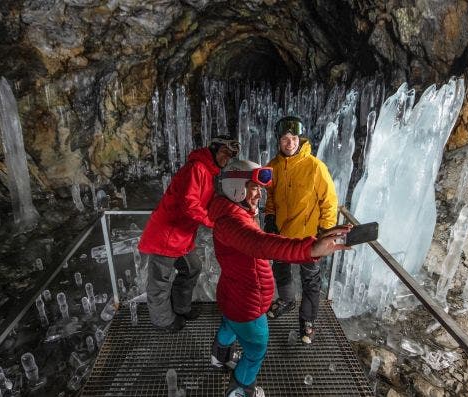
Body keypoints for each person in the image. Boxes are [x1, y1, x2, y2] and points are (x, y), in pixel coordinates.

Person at [209, 159, 351, 397]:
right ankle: (241, 388)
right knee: (256, 349)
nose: (259, 195)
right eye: (253, 187)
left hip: (233, 294)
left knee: (229, 325)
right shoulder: (232, 221)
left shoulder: (231, 211)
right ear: (236, 187)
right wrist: (311, 249)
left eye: (260, 189)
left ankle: (218, 357)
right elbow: (262, 244)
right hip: (247, 304)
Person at [138, 135, 241, 332]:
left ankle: (180, 307)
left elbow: (206, 201)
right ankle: (163, 321)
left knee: (193, 267)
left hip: (181, 235)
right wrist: (213, 222)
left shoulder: (208, 172)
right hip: (166, 235)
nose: (226, 159)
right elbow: (190, 204)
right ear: (214, 149)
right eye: (224, 153)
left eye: (230, 156)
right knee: (160, 280)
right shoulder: (197, 168)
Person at [264, 115, 338, 344]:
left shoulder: (315, 167)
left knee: (311, 279)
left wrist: (325, 231)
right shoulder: (273, 167)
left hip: (308, 238)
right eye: (285, 138)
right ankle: (287, 300)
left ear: (300, 139)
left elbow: (329, 201)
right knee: (282, 271)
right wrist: (269, 218)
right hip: (282, 236)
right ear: (279, 141)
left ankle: (308, 320)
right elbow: (270, 198)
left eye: (294, 138)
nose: (290, 143)